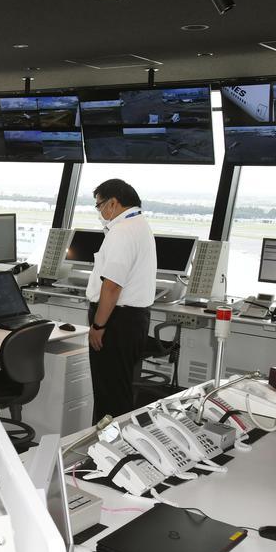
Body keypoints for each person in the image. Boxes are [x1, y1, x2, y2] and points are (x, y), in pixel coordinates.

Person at [86, 179, 157, 424]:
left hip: (116, 322)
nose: (99, 213)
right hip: (133, 320)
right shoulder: (140, 226)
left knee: (109, 395)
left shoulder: (122, 232)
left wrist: (98, 326)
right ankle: (121, 446)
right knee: (120, 388)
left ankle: (105, 452)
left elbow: (112, 285)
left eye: (99, 206)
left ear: (113, 203)